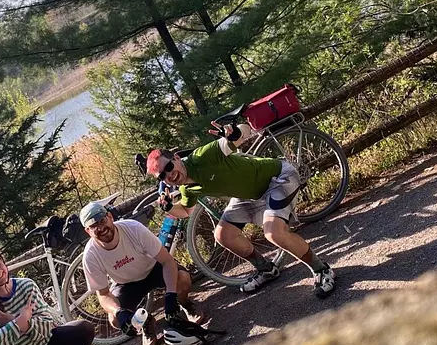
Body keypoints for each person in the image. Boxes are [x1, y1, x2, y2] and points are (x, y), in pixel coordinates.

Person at [144, 123, 335, 298]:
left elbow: (243, 133)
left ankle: (321, 269)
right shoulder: (186, 188)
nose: (170, 174)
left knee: (274, 234)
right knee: (222, 234)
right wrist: (169, 207)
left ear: (177, 158)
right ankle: (266, 269)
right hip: (248, 196)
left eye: (169, 166)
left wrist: (235, 132)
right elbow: (186, 211)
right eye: (163, 175)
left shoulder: (202, 156)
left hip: (276, 179)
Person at [79, 201, 205, 345]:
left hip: (153, 268)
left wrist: (171, 294)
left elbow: (167, 261)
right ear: (88, 231)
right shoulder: (90, 256)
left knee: (182, 279)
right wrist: (119, 312)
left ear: (110, 217)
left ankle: (184, 304)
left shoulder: (133, 228)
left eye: (102, 221)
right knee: (114, 319)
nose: (101, 228)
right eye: (94, 226)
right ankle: (146, 322)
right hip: (126, 283)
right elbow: (103, 294)